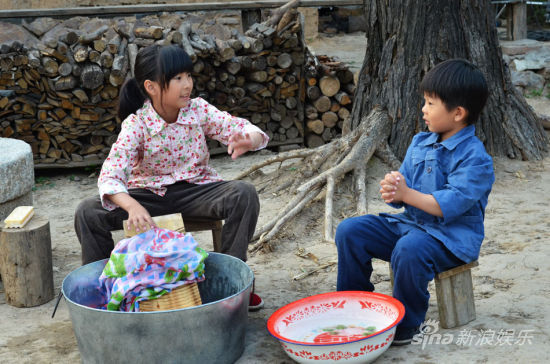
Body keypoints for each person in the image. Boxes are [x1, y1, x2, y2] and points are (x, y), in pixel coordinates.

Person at [74, 44, 269, 311]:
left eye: (188, 75)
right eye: (177, 78)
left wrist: (249, 138)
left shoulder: (198, 110)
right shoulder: (137, 123)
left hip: (196, 191)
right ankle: (104, 293)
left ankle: (233, 285)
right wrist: (132, 206)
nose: (187, 84)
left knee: (243, 193)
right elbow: (111, 174)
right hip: (147, 197)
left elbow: (238, 127)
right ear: (152, 87)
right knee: (87, 212)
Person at [335, 59, 495, 345]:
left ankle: (407, 323)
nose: (423, 109)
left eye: (431, 104)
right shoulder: (420, 142)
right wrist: (394, 190)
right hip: (409, 225)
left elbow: (450, 204)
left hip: (450, 241)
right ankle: (353, 304)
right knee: (351, 231)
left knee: (410, 249)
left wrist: (407, 194)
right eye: (425, 101)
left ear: (458, 113)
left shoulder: (476, 158)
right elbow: (403, 191)